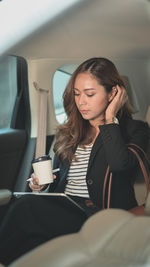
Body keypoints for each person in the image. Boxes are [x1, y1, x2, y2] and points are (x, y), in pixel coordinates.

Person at [0, 57, 149, 265]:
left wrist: (109, 120)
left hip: (98, 215)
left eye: (89, 94)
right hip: (65, 206)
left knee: (26, 209)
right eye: (77, 94)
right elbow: (66, 178)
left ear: (113, 93)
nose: (81, 102)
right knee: (23, 219)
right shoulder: (71, 131)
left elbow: (119, 165)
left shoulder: (136, 131)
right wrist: (42, 184)